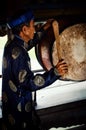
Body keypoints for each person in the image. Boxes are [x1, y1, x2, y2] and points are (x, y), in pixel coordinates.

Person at [2, 8, 68, 130]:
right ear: (24, 30)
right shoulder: (19, 53)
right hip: (19, 108)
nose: (35, 28)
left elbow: (30, 42)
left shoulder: (12, 44)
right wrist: (55, 72)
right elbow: (29, 83)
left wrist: (44, 28)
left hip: (10, 104)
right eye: (33, 25)